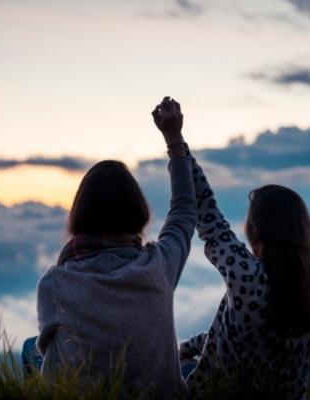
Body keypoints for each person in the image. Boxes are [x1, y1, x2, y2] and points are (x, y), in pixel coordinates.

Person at [35, 97, 196, 398]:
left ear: (80, 214)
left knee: (30, 350)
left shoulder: (55, 283)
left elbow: (53, 368)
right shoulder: (159, 265)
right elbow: (185, 210)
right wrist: (174, 139)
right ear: (137, 210)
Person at [175, 103, 310, 399]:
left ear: (257, 231)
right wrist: (187, 348)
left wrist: (176, 143)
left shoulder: (247, 278)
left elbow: (208, 215)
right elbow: (242, 332)